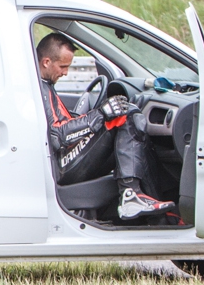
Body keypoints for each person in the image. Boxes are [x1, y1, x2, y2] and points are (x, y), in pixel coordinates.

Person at [36, 32, 175, 221]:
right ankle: (130, 195)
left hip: (65, 157)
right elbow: (57, 135)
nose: (65, 73)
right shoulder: (40, 88)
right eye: (62, 67)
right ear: (46, 62)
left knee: (130, 126)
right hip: (61, 163)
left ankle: (157, 213)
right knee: (125, 115)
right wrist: (100, 114)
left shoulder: (45, 85)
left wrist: (98, 115)